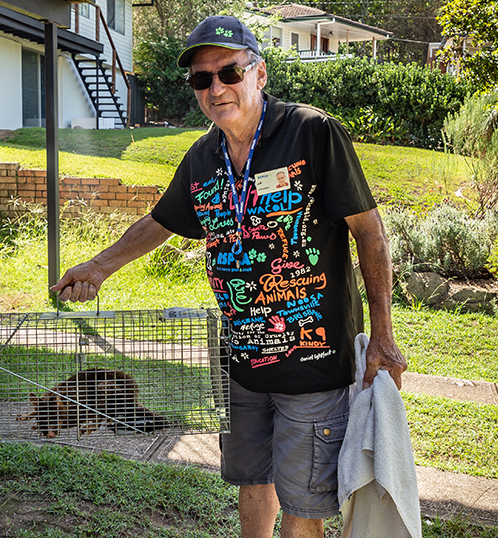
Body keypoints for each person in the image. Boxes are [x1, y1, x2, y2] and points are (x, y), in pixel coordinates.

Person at [51, 15, 407, 538]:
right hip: (241, 362)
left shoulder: (312, 132)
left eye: (229, 73)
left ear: (259, 75)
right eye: (202, 78)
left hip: (311, 365)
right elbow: (160, 222)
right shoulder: (203, 157)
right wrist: (98, 267)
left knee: (303, 506)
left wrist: (383, 333)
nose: (216, 88)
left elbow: (369, 233)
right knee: (251, 485)